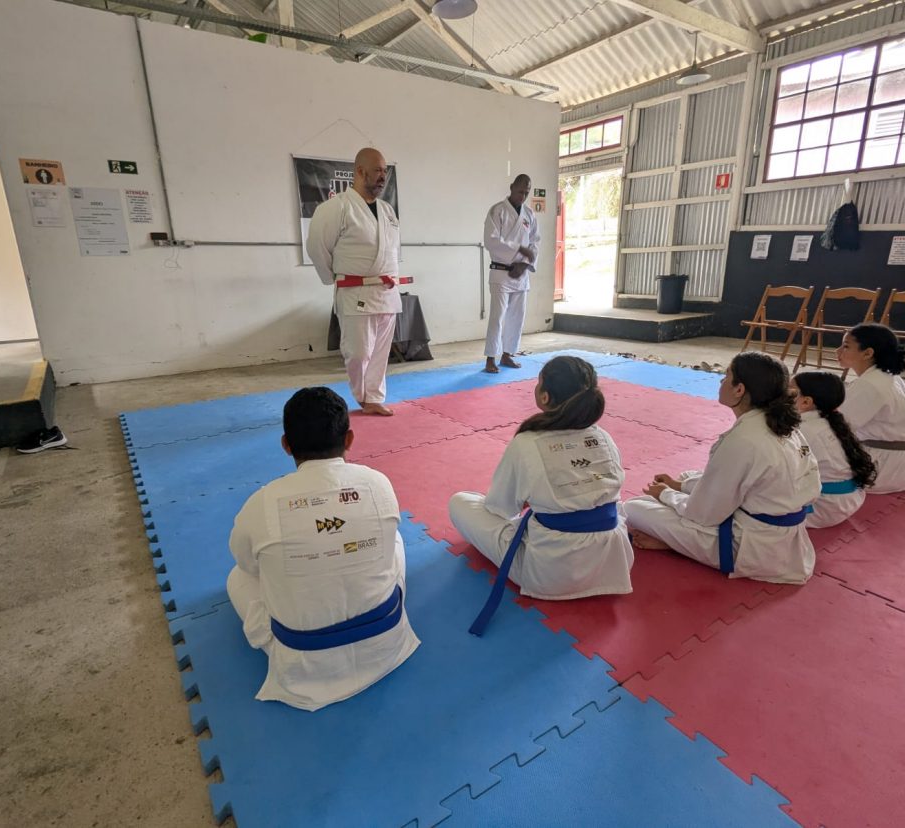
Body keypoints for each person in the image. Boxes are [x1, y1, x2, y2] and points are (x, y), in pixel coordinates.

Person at [226, 387, 420, 710]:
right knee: (395, 539)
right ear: (349, 439)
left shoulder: (262, 502)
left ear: (286, 445)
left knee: (237, 576)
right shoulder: (377, 483)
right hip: (385, 644)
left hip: (305, 666)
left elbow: (246, 564)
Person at [448, 356, 633, 634]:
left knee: (460, 502)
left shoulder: (527, 442)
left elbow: (501, 508)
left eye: (539, 383)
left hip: (551, 572)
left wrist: (534, 500)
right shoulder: (603, 436)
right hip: (613, 562)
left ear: (544, 396)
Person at [622, 352, 820, 585]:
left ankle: (677, 545)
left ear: (739, 390)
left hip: (749, 548)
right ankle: (680, 531)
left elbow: (704, 514)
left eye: (727, 376)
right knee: (688, 477)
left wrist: (666, 494)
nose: (721, 381)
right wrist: (679, 486)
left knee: (634, 507)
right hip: (784, 536)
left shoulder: (743, 439)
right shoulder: (787, 426)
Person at [307, 148, 401, 416]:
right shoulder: (335, 207)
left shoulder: (387, 210)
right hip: (355, 290)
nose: (383, 176)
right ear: (360, 171)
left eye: (385, 171)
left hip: (387, 290)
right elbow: (317, 247)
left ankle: (374, 398)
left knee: (381, 352)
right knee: (358, 353)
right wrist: (333, 278)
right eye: (378, 170)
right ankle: (361, 395)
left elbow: (391, 250)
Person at [837, 324, 905, 493]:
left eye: (846, 346)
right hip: (902, 468)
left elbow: (837, 428)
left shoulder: (870, 384)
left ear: (867, 353)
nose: (838, 351)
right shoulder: (889, 377)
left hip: (880, 469)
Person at [792, 371, 878, 528]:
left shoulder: (804, 431)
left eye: (789, 392)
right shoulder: (829, 421)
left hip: (824, 507)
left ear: (805, 402)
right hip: (849, 499)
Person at [483, 174, 540, 374]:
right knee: (497, 317)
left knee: (517, 317)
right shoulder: (497, 211)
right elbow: (491, 241)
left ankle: (507, 354)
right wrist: (518, 250)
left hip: (521, 273)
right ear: (511, 187)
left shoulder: (529, 214)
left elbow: (535, 243)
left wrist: (524, 264)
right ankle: (491, 358)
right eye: (520, 191)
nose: (523, 196)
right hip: (501, 271)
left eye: (526, 193)